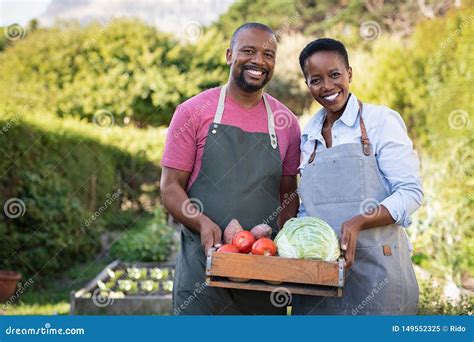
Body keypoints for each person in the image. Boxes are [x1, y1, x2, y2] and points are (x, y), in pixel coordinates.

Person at [160, 23, 301, 315]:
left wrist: (284, 246)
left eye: (268, 54)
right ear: (229, 55)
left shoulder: (287, 122)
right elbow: (170, 187)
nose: (259, 61)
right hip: (203, 272)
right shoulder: (193, 112)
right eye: (248, 51)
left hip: (263, 273)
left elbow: (289, 193)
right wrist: (201, 222)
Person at [293, 38, 423, 315]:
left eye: (335, 75)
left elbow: (410, 192)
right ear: (307, 84)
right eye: (316, 80)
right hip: (320, 279)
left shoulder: (380, 121)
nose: (327, 86)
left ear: (349, 73)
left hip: (378, 274)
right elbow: (307, 208)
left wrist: (359, 222)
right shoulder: (308, 137)